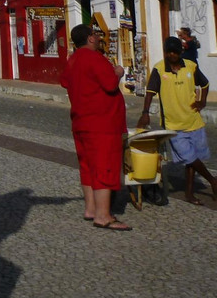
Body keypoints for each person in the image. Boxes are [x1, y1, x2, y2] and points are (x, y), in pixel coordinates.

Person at [59, 23, 130, 230]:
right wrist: (117, 72)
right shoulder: (94, 58)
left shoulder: (73, 60)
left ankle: (90, 208)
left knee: (87, 166)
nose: (98, 38)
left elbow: (65, 82)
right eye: (96, 35)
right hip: (101, 123)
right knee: (104, 166)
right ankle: (103, 215)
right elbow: (109, 84)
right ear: (90, 38)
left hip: (81, 121)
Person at [137, 36, 215, 205]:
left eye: (175, 52)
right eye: (169, 52)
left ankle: (189, 194)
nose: (172, 55)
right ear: (165, 53)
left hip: (193, 121)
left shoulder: (191, 66)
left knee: (192, 161)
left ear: (181, 52)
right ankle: (213, 180)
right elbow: (150, 92)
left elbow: (205, 83)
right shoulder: (159, 69)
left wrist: (202, 101)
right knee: (189, 158)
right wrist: (145, 112)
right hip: (173, 124)